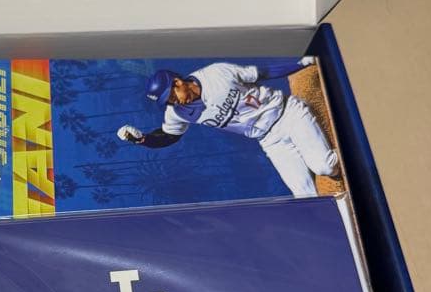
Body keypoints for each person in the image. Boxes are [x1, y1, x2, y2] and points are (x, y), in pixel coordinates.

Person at [117, 59, 340, 197]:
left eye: (172, 96)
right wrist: (142, 139)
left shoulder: (216, 73)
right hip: (269, 140)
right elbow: (168, 136)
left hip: (287, 113)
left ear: (177, 82)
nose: (173, 102)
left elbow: (263, 72)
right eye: (167, 101)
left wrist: (301, 65)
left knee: (325, 167)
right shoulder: (176, 113)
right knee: (306, 197)